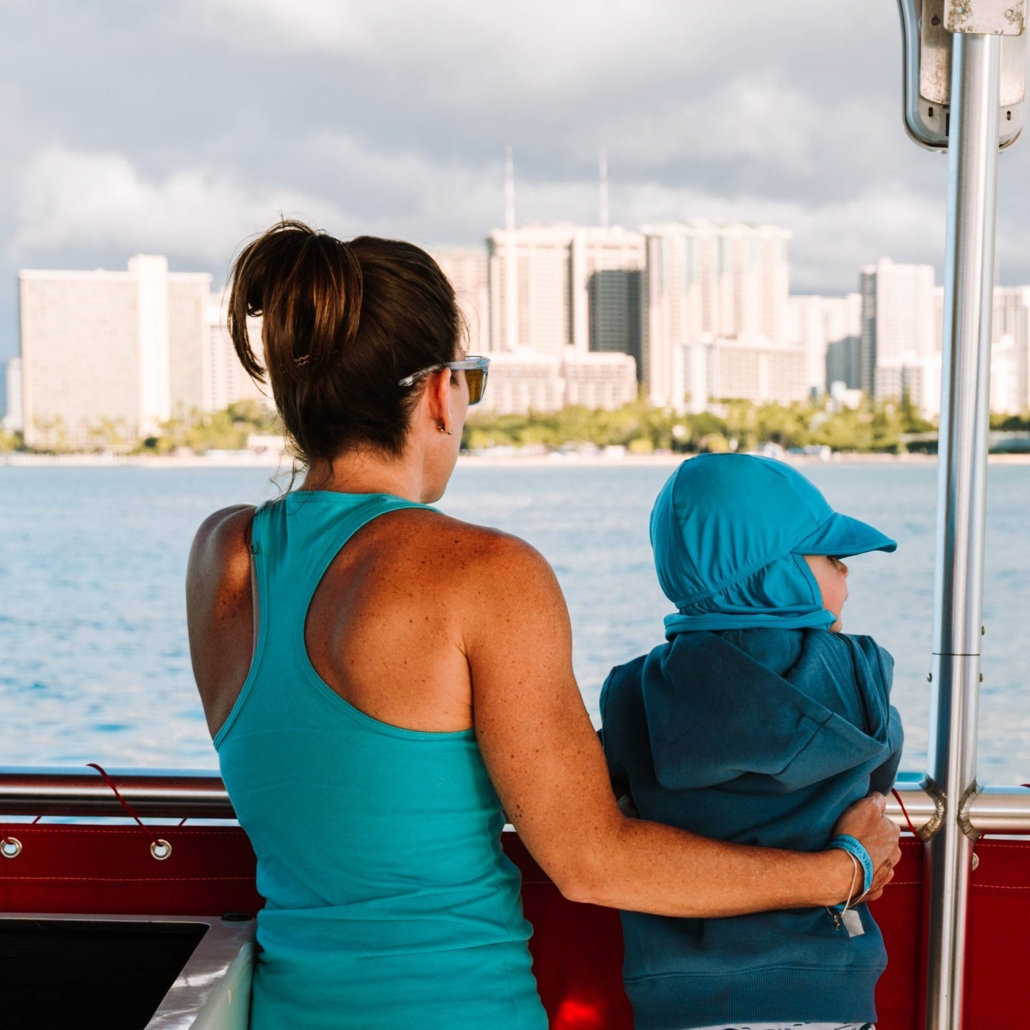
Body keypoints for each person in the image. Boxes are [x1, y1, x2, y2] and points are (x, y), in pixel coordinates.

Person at [186, 220, 901, 1030]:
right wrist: (838, 872)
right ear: (437, 393)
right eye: (472, 382)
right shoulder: (485, 573)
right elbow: (592, 862)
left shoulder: (224, 556)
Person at [600, 453, 905, 1030]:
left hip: (678, 1001)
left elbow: (612, 783)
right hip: (827, 995)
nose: (848, 574)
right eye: (835, 558)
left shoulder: (633, 692)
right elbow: (881, 773)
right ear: (783, 576)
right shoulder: (859, 674)